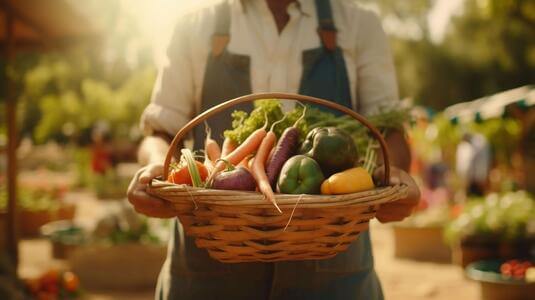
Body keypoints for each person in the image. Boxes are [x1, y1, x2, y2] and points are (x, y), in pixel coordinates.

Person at [127, 0, 420, 299]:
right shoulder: (194, 27)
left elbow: (389, 132)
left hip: (332, 273)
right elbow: (160, 130)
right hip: (208, 269)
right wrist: (155, 164)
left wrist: (393, 175)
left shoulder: (359, 25)